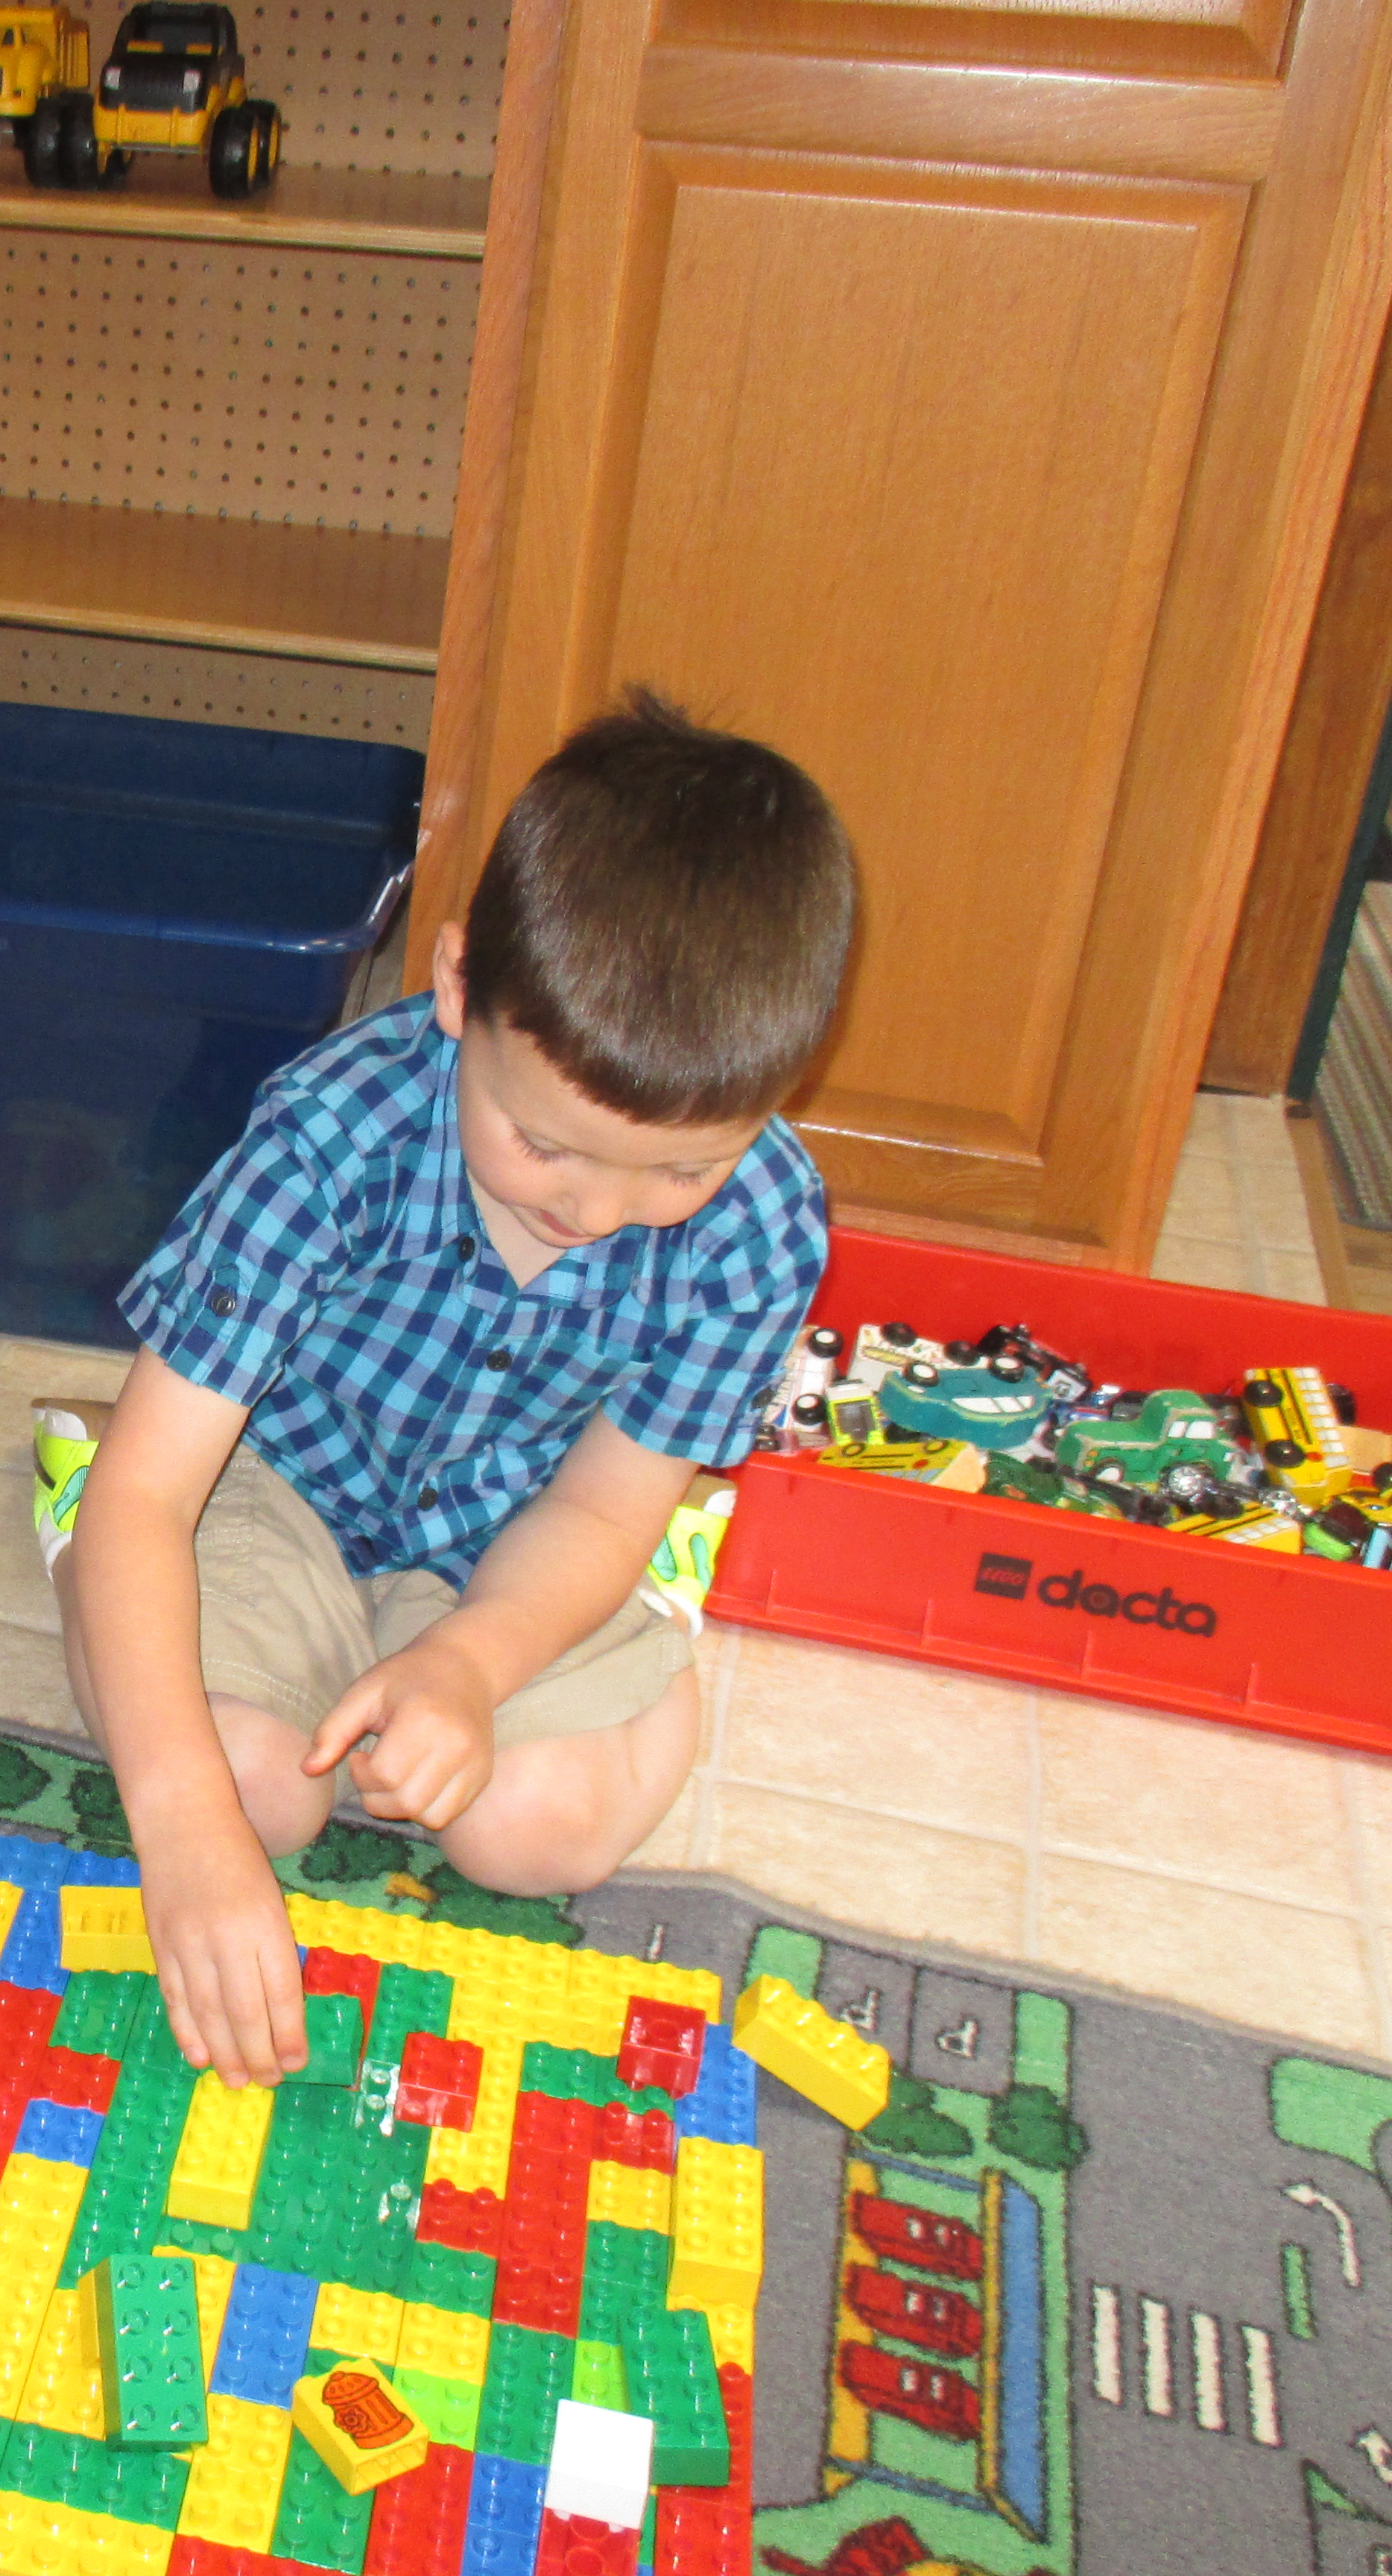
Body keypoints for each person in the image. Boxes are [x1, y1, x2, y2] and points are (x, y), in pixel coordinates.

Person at [43, 690, 857, 2088]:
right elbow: (154, 1498)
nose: (597, 1213)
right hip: (270, 1481)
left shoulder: (767, 1222)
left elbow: (601, 1512)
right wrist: (181, 1834)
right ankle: (72, 1507)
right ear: (459, 984)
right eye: (547, 1145)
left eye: (682, 1169)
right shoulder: (328, 1142)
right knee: (245, 1789)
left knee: (538, 1830)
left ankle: (593, 1630)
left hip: (526, 1524)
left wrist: (472, 1664)